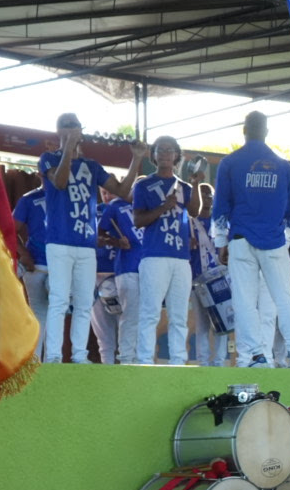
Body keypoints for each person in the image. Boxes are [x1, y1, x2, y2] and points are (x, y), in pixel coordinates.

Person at [210, 111, 290, 369]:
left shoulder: (230, 163)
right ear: (267, 132)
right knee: (284, 298)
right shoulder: (282, 165)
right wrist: (287, 241)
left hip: (241, 239)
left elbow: (220, 206)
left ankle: (256, 357)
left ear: (244, 130)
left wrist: (221, 242)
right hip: (274, 241)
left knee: (245, 301)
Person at [39, 112, 146, 363]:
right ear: (58, 132)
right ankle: (53, 356)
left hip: (86, 244)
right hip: (59, 240)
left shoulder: (92, 166)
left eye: (74, 125)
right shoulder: (48, 159)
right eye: (65, 126)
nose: (71, 129)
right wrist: (67, 148)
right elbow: (61, 182)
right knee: (59, 299)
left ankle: (79, 354)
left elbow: (121, 191)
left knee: (85, 300)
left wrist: (136, 159)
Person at [132, 136, 201, 366]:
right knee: (150, 312)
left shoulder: (185, 187)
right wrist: (163, 207)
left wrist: (197, 183)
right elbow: (138, 220)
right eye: (160, 150)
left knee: (179, 314)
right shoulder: (143, 185)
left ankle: (178, 360)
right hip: (154, 255)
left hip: (181, 258)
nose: (164, 154)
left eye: (169, 150)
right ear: (153, 155)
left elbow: (194, 211)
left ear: (176, 156)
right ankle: (144, 360)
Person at [93, 193, 141, 363]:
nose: (107, 195)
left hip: (120, 273)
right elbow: (95, 237)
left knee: (128, 319)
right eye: (103, 192)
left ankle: (130, 362)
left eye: (111, 191)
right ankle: (108, 367)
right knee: (103, 331)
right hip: (98, 275)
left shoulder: (128, 211)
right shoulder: (95, 211)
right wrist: (114, 241)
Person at [186, 178, 228, 366]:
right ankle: (203, 361)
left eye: (210, 195)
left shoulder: (219, 222)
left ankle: (219, 360)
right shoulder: (189, 222)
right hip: (197, 279)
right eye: (203, 195)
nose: (208, 199)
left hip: (219, 277)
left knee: (223, 320)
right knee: (202, 322)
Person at [12, 184, 50, 360]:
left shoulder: (70, 195)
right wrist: (24, 254)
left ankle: (53, 363)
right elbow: (10, 230)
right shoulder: (29, 198)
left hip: (63, 266)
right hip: (37, 265)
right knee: (38, 315)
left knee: (56, 315)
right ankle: (34, 364)